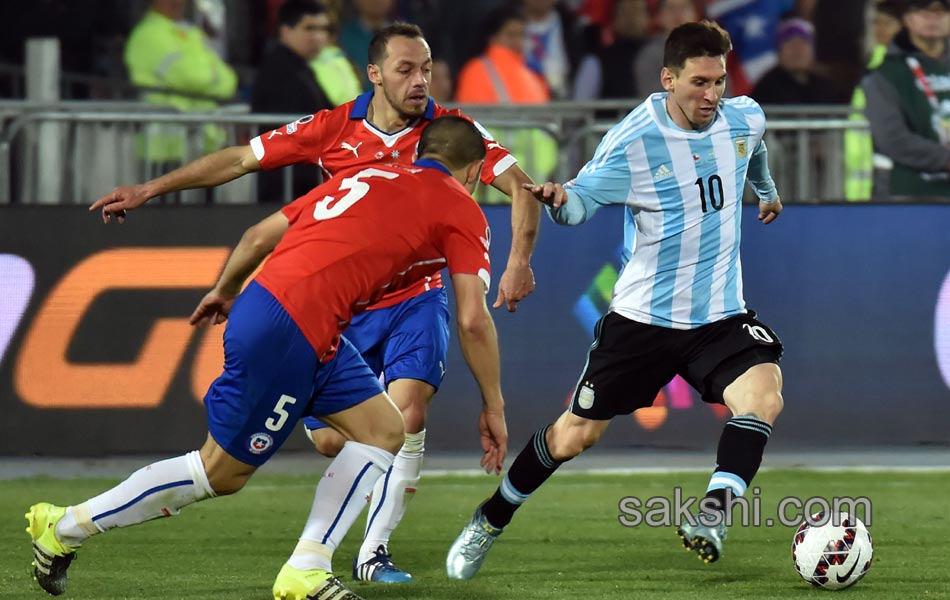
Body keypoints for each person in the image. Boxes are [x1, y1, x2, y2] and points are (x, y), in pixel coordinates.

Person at [91, 22, 540, 584]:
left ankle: (371, 553)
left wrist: (519, 260)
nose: (420, 80)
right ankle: (312, 475)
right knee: (335, 440)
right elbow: (239, 161)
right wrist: (149, 189)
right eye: (406, 69)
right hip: (343, 300)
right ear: (374, 74)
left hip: (417, 295)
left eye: (425, 68)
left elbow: (521, 185)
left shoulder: (451, 132)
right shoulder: (332, 128)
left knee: (405, 415)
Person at [28, 116, 508, 600]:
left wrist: (225, 290)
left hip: (288, 313)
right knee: (219, 472)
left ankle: (308, 567)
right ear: (473, 172)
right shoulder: (460, 208)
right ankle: (65, 528)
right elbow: (472, 319)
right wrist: (493, 405)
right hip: (292, 326)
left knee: (384, 429)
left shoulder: (364, 175)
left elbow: (260, 235)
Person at [446, 20, 785, 580]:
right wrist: (558, 200)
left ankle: (713, 516)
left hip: (719, 316)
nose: (711, 95)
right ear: (668, 78)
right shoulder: (634, 141)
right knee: (576, 434)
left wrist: (767, 191)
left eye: (719, 81)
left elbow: (755, 149)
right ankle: (491, 516)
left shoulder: (743, 116)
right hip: (644, 321)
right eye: (699, 83)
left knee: (764, 395)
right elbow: (581, 201)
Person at [124, 0, 238, 167]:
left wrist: (205, 79)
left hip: (202, 144)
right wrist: (212, 77)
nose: (176, 2)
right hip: (164, 151)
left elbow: (229, 80)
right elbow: (192, 78)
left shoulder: (190, 32)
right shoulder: (148, 34)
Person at [862, 0, 950, 198]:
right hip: (906, 195)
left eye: (940, 11)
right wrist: (945, 159)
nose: (932, 18)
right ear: (907, 19)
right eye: (923, 11)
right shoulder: (886, 74)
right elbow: (891, 137)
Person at [252, 0, 335, 204]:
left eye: (323, 29)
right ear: (286, 31)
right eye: (309, 28)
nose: (318, 36)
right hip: (287, 187)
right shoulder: (279, 70)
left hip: (299, 182)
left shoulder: (300, 67)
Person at [751, 18, 844, 105]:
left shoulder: (826, 88)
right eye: (791, 44)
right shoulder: (766, 88)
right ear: (779, 52)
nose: (797, 50)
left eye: (803, 44)